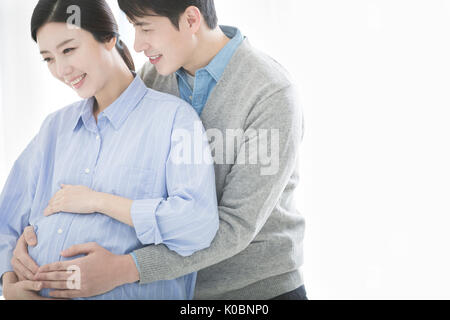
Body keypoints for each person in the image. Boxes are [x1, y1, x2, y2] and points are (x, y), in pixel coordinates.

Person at [11, 0, 307, 300]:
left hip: (255, 293)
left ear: (191, 19)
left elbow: (237, 225)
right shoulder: (155, 78)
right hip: (181, 289)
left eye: (145, 27)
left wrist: (124, 268)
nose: (137, 44)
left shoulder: (269, 93)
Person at [0, 0, 219, 300]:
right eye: (48, 59)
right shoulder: (55, 128)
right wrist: (9, 281)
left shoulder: (174, 120)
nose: (62, 70)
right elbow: (5, 222)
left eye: (69, 50)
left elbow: (197, 224)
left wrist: (98, 201)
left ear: (109, 38)